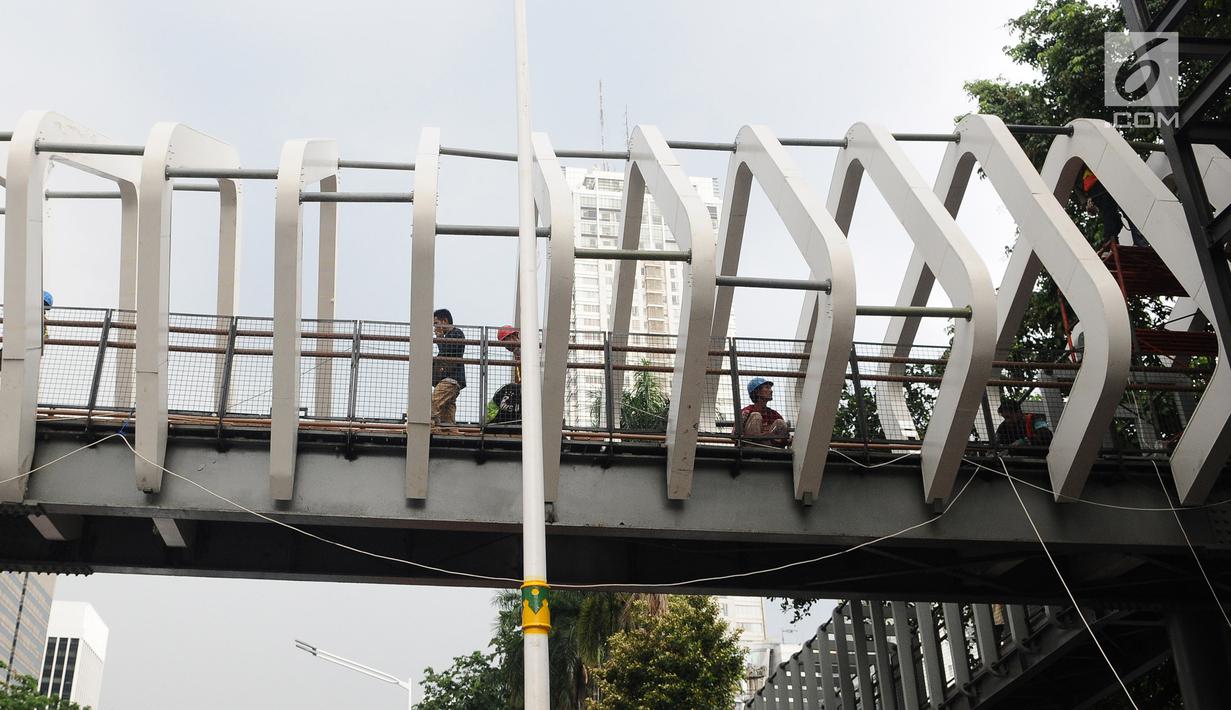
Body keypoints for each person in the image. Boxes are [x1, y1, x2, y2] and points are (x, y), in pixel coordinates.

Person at [1082, 167, 1148, 247]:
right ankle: (1111, 245)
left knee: (1115, 219)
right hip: (1099, 185)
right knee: (1117, 216)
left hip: (1099, 185)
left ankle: (1111, 245)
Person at [431, 308, 466, 432]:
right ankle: (450, 433)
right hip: (451, 381)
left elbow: (447, 352)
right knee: (446, 414)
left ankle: (430, 427)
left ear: (444, 320)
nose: (434, 327)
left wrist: (440, 337)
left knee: (432, 403)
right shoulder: (452, 335)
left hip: (450, 380)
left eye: (436, 323)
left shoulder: (456, 333)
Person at [485, 326, 522, 426]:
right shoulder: (518, 352)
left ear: (513, 336)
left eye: (505, 341)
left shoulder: (523, 350)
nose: (505, 347)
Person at [740, 377, 790, 447]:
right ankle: (754, 447)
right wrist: (767, 435)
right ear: (757, 392)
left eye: (770, 388)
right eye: (767, 387)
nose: (771, 391)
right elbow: (734, 435)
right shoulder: (747, 411)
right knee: (756, 415)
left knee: (780, 423)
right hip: (750, 448)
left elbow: (784, 437)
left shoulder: (774, 414)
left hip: (770, 449)